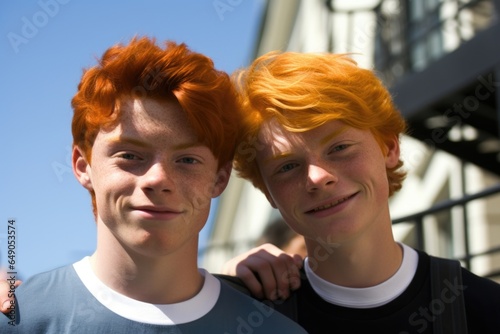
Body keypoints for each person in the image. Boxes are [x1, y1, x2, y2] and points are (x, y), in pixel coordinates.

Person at [0, 37, 307, 333]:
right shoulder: (19, 319)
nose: (158, 179)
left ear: (220, 178)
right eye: (130, 155)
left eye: (187, 160)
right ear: (83, 165)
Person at [222, 50, 500, 333]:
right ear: (267, 191)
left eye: (339, 148)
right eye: (287, 166)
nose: (317, 177)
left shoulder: (484, 309)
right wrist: (218, 300)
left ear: (389, 148)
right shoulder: (249, 319)